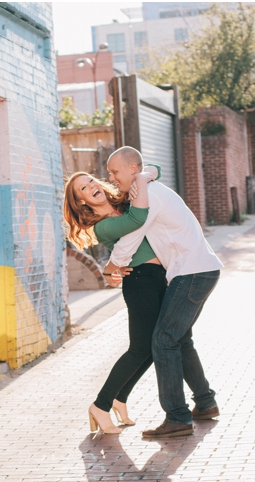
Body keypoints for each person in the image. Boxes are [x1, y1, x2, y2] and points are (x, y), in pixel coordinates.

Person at [105, 146, 223, 438]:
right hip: (199, 270)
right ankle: (205, 404)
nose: (110, 177)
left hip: (191, 272)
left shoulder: (148, 196)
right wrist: (146, 175)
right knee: (179, 338)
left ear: (133, 169)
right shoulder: (147, 187)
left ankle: (177, 417)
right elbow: (151, 169)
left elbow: (131, 236)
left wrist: (112, 267)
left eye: (114, 171)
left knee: (163, 340)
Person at [64, 164, 159, 434]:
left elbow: (155, 168)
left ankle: (119, 398)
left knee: (152, 350)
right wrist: (140, 179)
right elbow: (139, 219)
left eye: (91, 180)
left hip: (156, 279)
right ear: (80, 200)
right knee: (139, 350)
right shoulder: (104, 226)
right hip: (139, 284)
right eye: (83, 188)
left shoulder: (124, 202)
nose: (91, 186)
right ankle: (101, 405)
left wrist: (142, 174)